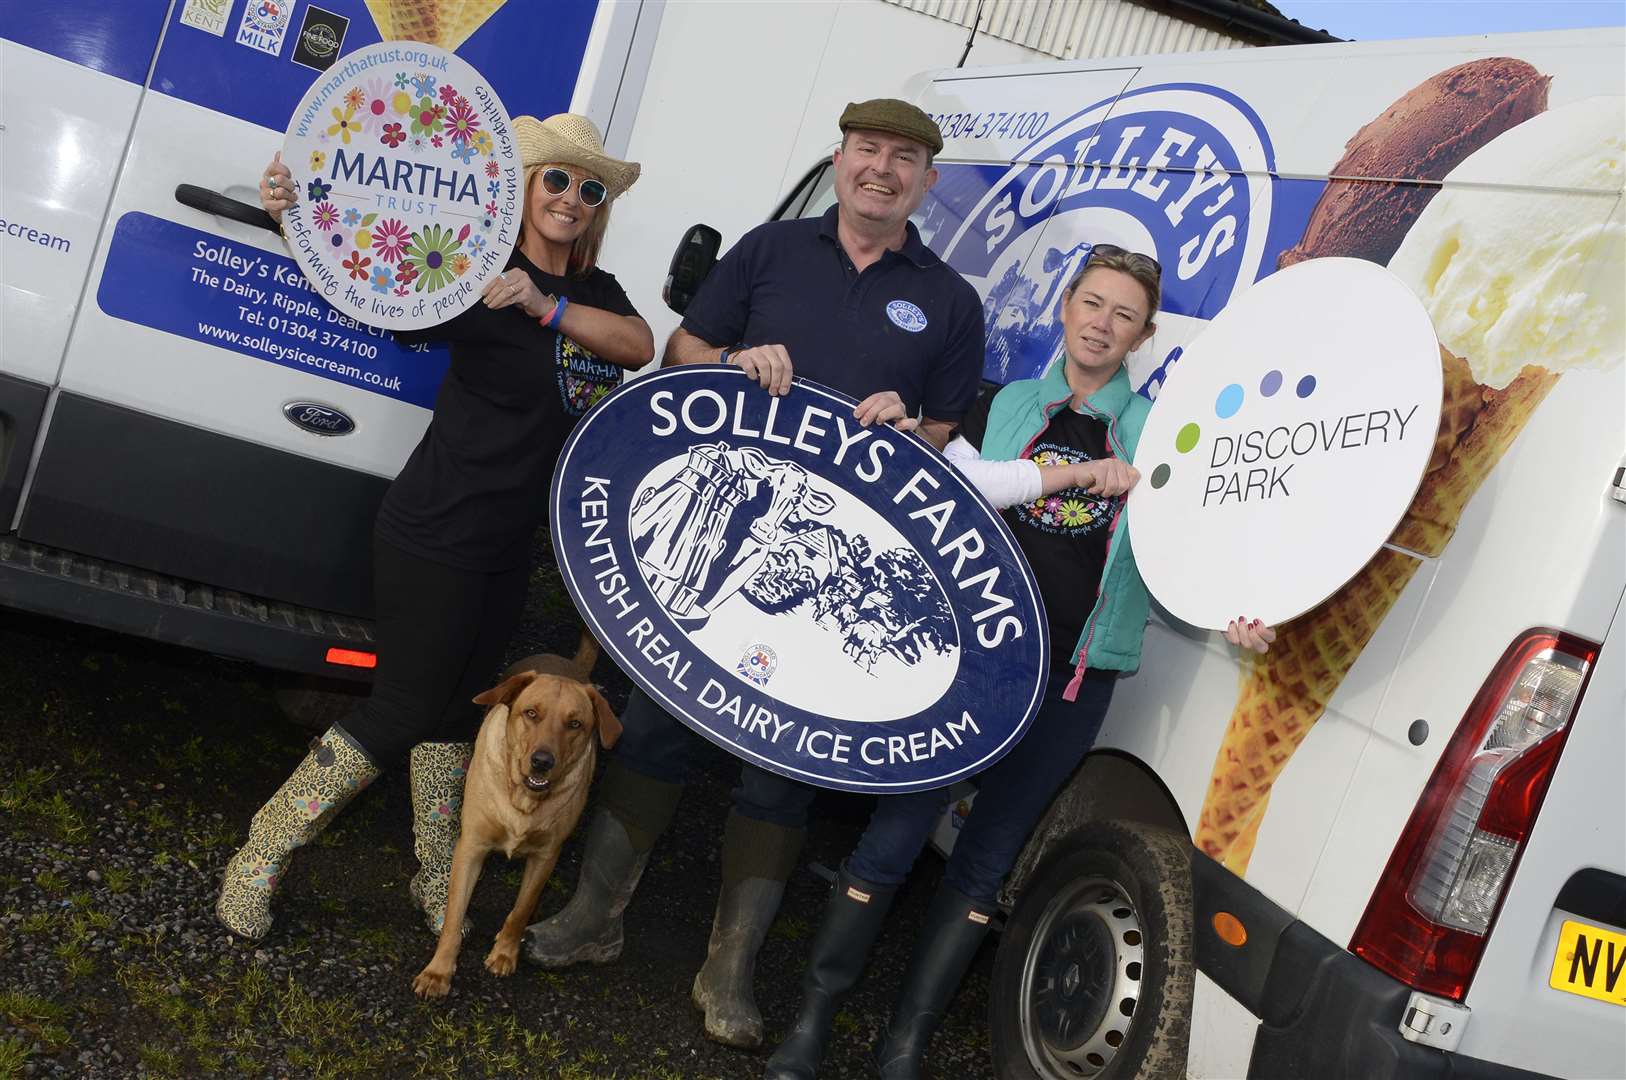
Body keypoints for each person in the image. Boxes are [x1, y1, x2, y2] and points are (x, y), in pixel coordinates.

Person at [522, 99, 985, 1049]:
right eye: (868, 151)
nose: (882, 171)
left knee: (784, 776)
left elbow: (946, 435)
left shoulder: (950, 301)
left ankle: (727, 969)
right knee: (653, 726)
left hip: (820, 572)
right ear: (840, 158)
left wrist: (917, 426)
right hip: (718, 529)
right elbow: (684, 349)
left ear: (927, 181)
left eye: (905, 159)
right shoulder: (772, 251)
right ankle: (592, 919)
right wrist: (735, 356)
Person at [763, 245, 1275, 1079]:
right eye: (1093, 303)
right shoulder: (996, 404)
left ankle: (904, 1047)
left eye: (1124, 315)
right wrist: (1050, 467)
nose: (1103, 325)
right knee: (891, 838)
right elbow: (955, 485)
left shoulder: (1158, 438)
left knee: (987, 859)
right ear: (1065, 305)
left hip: (1071, 680)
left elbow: (1192, 548)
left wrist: (1234, 613)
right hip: (960, 665)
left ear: (1143, 336)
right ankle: (811, 1025)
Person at [215, 114, 653, 942]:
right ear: (524, 187)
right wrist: (291, 218)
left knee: (462, 712)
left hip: (503, 546)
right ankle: (258, 857)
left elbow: (637, 346)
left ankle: (435, 877)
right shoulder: (476, 271)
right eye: (555, 179)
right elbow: (372, 292)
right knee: (401, 711)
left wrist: (546, 307)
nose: (570, 197)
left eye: (588, 188)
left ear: (600, 208)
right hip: (434, 529)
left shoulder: (593, 296)